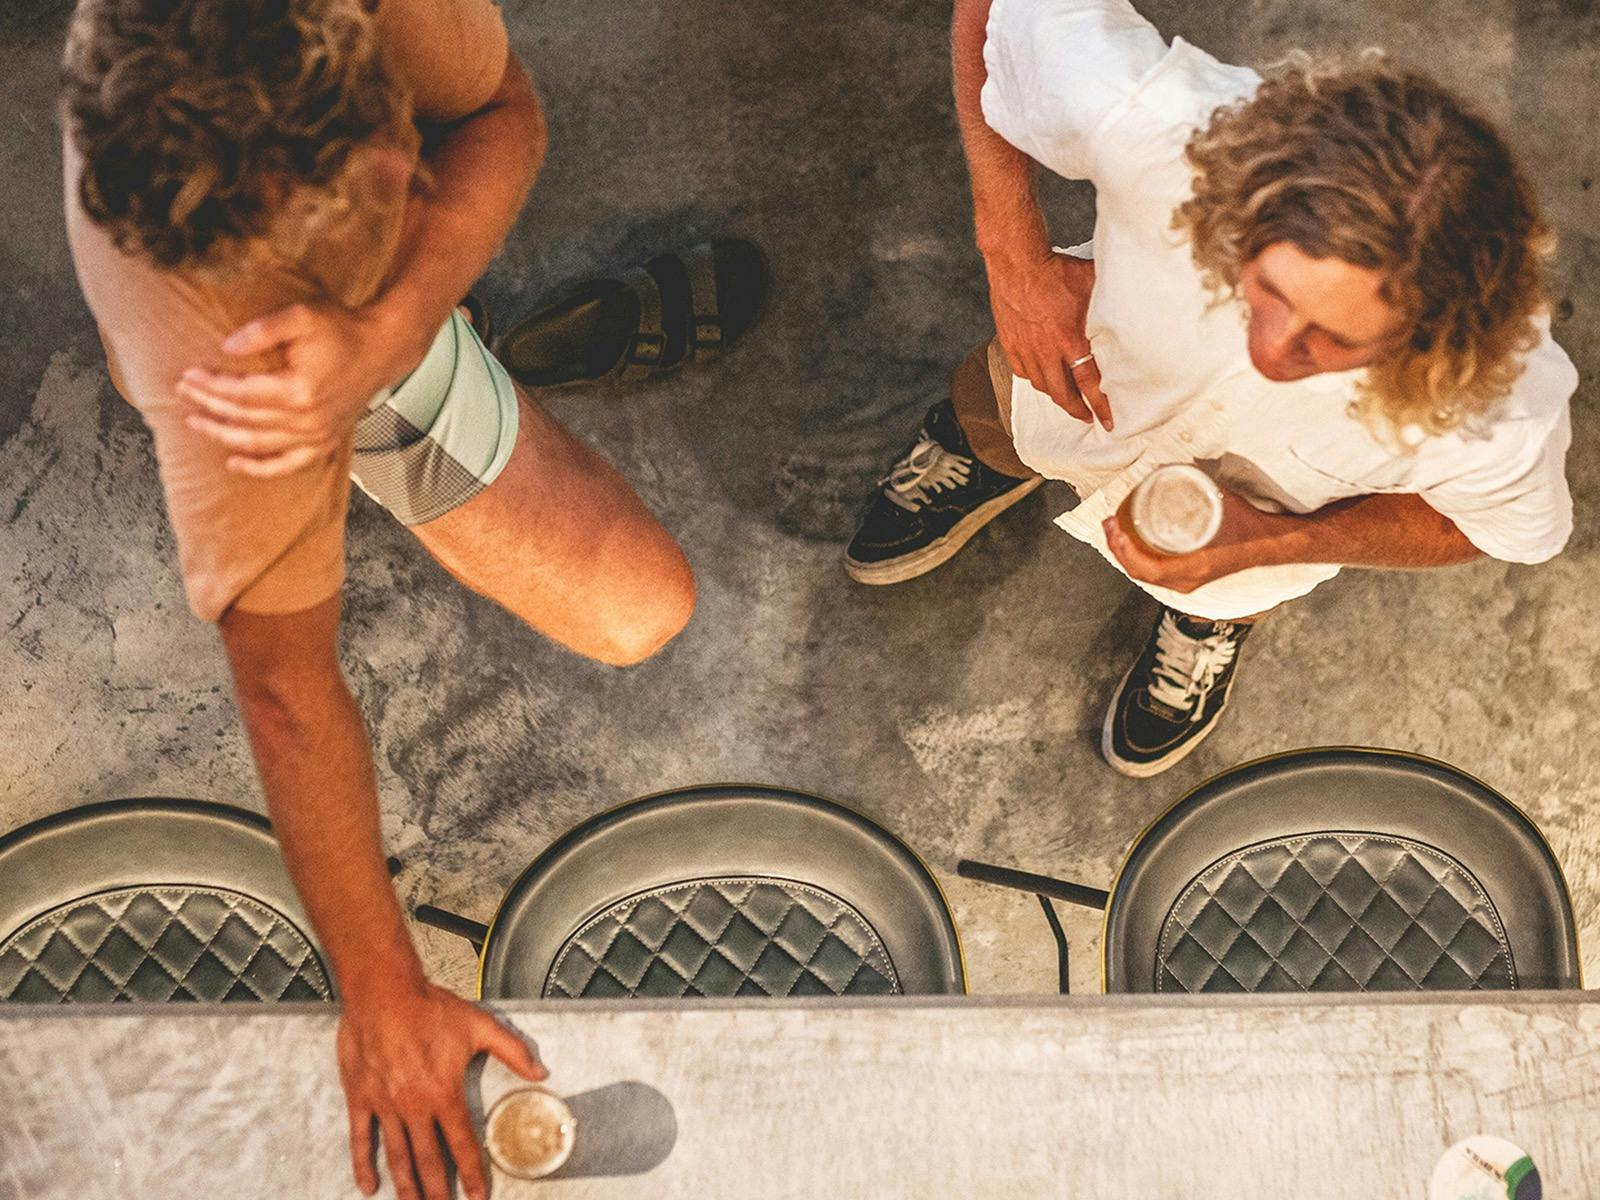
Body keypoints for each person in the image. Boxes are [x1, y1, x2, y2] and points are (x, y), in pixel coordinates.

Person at [59, 3, 696, 1198]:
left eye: (380, 131)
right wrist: (381, 990)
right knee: (632, 605)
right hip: (291, 368)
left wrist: (392, 312)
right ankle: (384, 426)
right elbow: (284, 683)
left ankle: (432, 354)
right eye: (370, 192)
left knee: (635, 603)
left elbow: (500, 112)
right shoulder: (215, 356)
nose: (416, 171)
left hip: (358, 334)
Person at [846, 0, 1576, 777]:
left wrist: (1283, 542)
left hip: (1246, 541)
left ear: (1442, 337)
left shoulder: (1499, 415)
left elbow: (1492, 531)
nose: (1271, 352)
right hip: (1059, 383)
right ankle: (977, 453)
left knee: (1229, 589)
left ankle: (1206, 620)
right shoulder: (1172, 132)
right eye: (1265, 289)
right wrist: (1013, 258)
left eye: (1332, 340)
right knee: (991, 410)